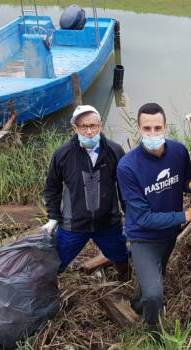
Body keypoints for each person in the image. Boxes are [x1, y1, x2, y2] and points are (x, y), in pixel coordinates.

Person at [116, 102, 191, 328]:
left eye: (157, 128)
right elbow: (143, 218)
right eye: (147, 129)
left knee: (155, 277)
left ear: (166, 127)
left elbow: (185, 183)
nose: (152, 133)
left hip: (169, 234)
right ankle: (154, 331)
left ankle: (138, 303)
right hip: (144, 238)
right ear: (138, 129)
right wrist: (188, 215)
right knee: (155, 295)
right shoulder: (127, 167)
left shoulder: (178, 151)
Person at [42, 105, 129, 280]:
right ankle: (48, 294)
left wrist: (130, 215)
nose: (89, 131)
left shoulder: (114, 151)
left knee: (120, 255)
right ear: (75, 128)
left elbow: (124, 187)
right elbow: (52, 188)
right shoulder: (62, 154)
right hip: (73, 225)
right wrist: (53, 217)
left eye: (93, 126)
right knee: (56, 263)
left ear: (101, 125)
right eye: (84, 126)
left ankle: (125, 279)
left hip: (108, 223)